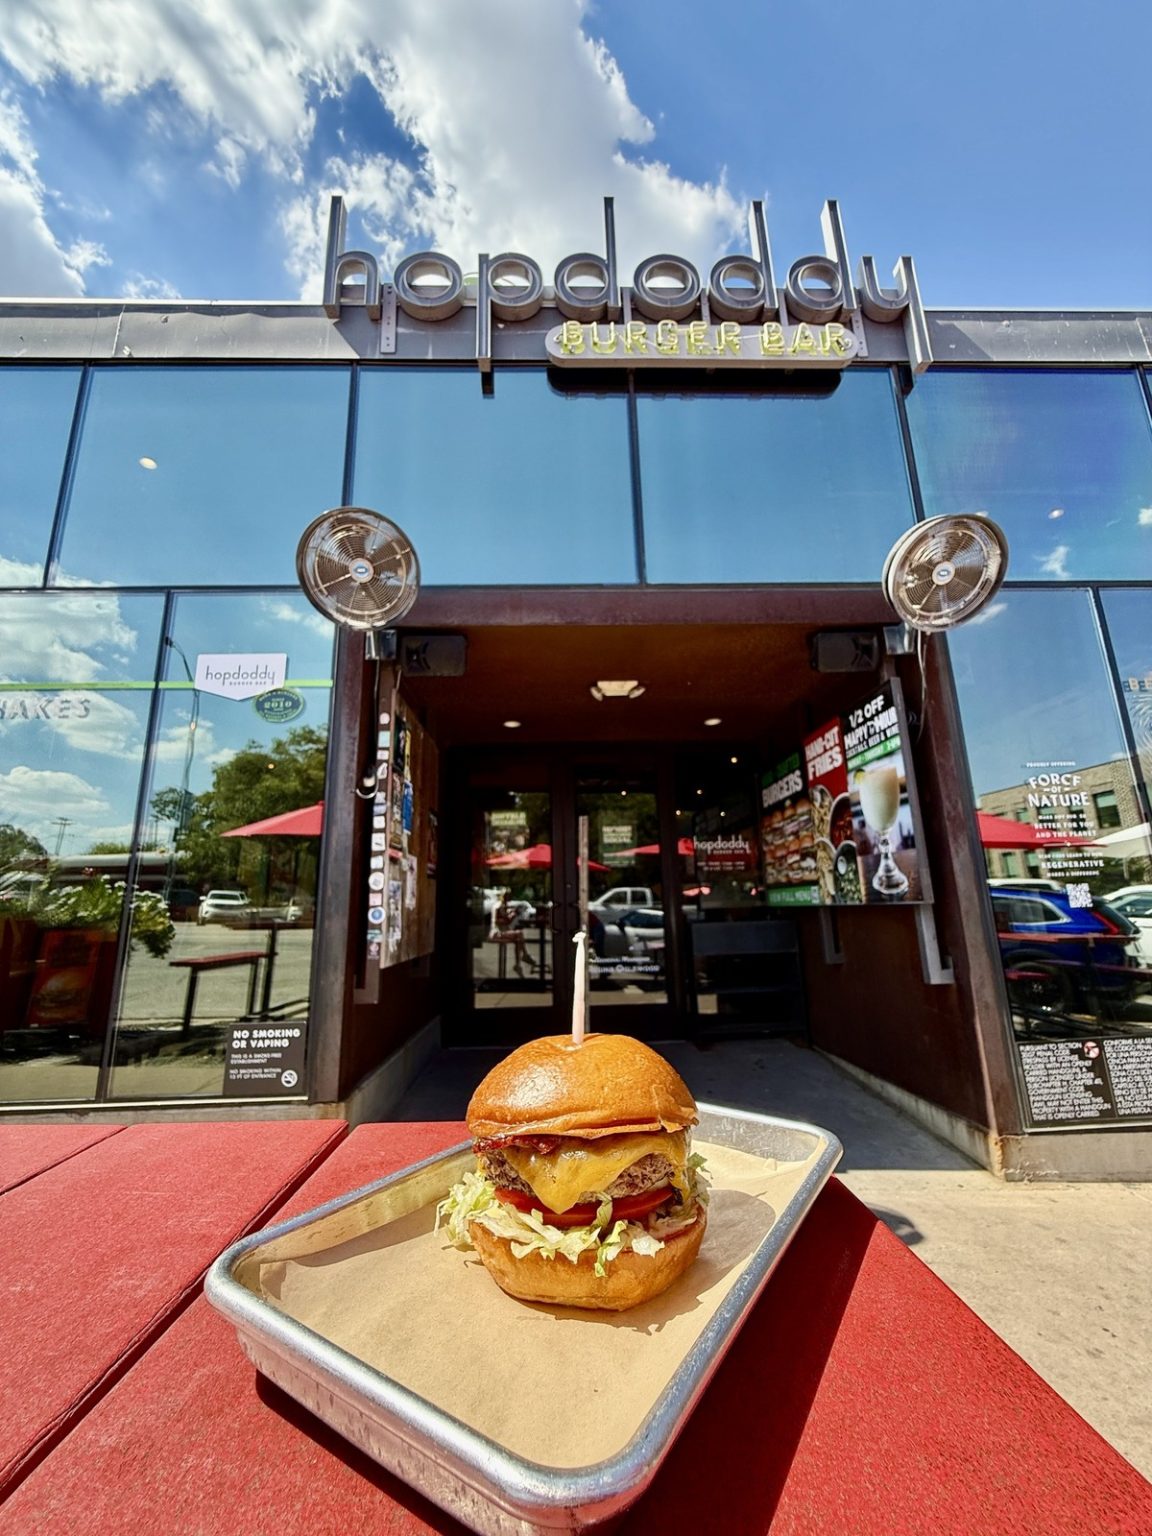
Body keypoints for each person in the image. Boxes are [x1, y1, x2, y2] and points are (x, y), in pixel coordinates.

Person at [491, 893, 534, 977]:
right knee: (519, 934)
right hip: (498, 933)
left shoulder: (504, 907)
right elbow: (500, 921)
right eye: (506, 898)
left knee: (518, 938)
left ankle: (518, 964)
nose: (508, 900)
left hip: (504, 931)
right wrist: (510, 915)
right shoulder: (499, 907)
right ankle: (523, 957)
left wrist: (512, 914)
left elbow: (507, 919)